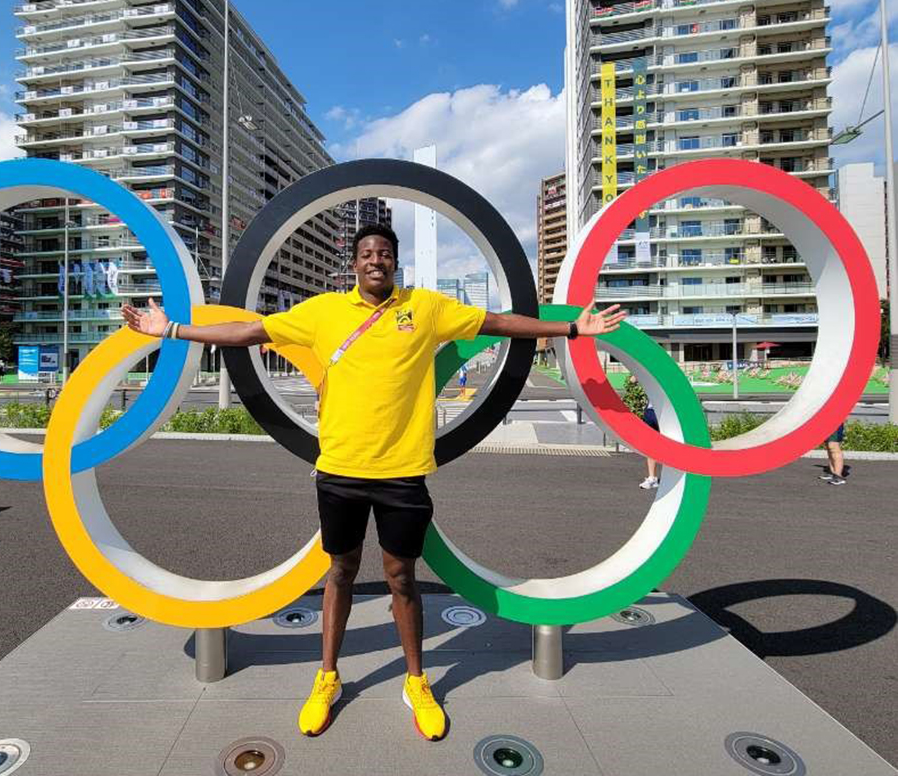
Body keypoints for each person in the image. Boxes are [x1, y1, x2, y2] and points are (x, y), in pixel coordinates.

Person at [122, 223, 627, 741]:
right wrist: (171, 331)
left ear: (395, 261)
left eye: (384, 253)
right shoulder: (322, 313)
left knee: (401, 578)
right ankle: (327, 678)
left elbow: (498, 322)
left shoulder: (426, 309)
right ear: (355, 264)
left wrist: (572, 330)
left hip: (403, 475)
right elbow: (250, 332)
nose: (375, 261)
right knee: (339, 572)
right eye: (366, 254)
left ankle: (416, 681)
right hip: (340, 470)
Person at [625, 375, 659, 489]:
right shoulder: (648, 373)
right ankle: (652, 478)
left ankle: (677, 477)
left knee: (671, 445)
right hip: (650, 412)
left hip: (664, 413)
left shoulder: (667, 373)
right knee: (651, 446)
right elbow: (632, 380)